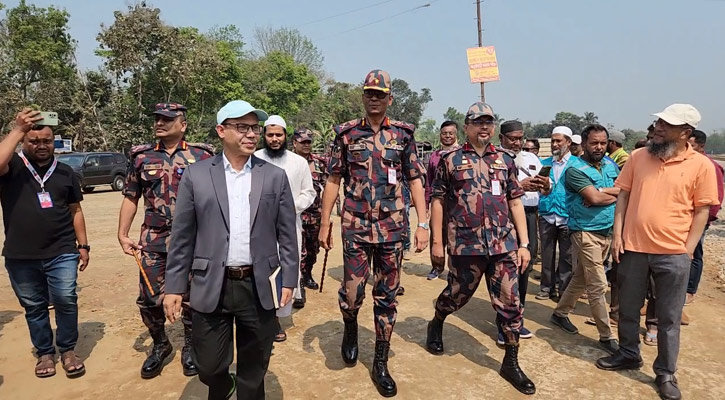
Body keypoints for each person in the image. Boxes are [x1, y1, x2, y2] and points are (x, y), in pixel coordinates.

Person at [163, 100, 298, 400]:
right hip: (212, 283)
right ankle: (223, 385)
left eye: (255, 128)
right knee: (208, 365)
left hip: (259, 284)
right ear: (221, 131)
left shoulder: (273, 177)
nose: (251, 134)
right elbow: (182, 237)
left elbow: (287, 234)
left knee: (255, 365)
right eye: (242, 127)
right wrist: (173, 286)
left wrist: (289, 279)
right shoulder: (196, 175)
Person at [318, 69, 428, 397]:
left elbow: (415, 180)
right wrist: (325, 222)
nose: (375, 99)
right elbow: (334, 179)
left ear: (390, 98)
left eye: (380, 94)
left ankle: (380, 360)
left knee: (387, 295)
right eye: (370, 93)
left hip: (392, 229)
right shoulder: (347, 134)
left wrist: (422, 224)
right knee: (352, 294)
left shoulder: (404, 136)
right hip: (355, 227)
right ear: (363, 97)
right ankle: (350, 326)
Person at [597, 104, 719, 400]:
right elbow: (623, 196)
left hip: (673, 253)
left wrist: (688, 249)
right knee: (627, 308)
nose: (659, 127)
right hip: (633, 248)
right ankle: (628, 353)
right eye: (659, 122)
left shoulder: (701, 165)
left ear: (685, 133)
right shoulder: (639, 157)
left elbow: (702, 210)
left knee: (668, 317)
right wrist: (618, 234)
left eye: (668, 124)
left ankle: (665, 371)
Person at [426, 103, 535, 395]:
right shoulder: (449, 160)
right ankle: (437, 321)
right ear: (467, 127)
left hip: (503, 246)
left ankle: (511, 362)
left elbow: (515, 201)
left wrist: (524, 244)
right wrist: (436, 242)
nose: (484, 127)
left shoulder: (505, 161)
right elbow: (437, 201)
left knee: (510, 304)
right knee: (456, 296)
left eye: (489, 122)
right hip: (466, 245)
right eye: (478, 122)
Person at [118, 103, 214, 379]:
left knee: (192, 297)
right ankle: (160, 344)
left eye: (167, 120)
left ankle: (190, 346)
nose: (160, 123)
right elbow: (130, 196)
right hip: (154, 239)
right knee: (149, 297)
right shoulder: (141, 157)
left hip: (194, 239)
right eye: (157, 119)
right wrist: (123, 234)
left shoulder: (203, 155)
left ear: (182, 125)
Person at [0, 109, 89, 379]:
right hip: (20, 254)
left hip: (62, 250)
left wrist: (83, 246)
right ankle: (44, 353)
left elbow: (76, 210)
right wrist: (17, 129)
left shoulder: (64, 172)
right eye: (34, 141)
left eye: (47, 141)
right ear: (24, 142)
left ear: (54, 142)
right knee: (35, 306)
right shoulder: (12, 168)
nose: (41, 146)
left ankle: (68, 349)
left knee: (65, 300)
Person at [550, 124, 620, 354]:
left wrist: (604, 192)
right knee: (598, 284)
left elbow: (624, 190)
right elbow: (595, 198)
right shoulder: (575, 170)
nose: (599, 147)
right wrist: (604, 195)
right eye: (594, 143)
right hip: (584, 231)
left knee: (580, 277)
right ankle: (606, 335)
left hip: (606, 231)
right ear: (584, 144)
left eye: (602, 142)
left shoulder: (610, 166)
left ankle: (560, 313)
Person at [254, 115, 314, 341]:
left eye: (279, 134)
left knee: (286, 270)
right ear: (264, 136)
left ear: (286, 136)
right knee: (260, 270)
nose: (274, 139)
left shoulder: (298, 162)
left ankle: (277, 320)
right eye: (270, 135)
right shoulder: (254, 158)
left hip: (289, 226)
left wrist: (289, 208)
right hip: (258, 227)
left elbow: (309, 192)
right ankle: (262, 318)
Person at [497, 120, 545, 343]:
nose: (517, 143)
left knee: (525, 265)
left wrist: (545, 185)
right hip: (505, 216)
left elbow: (548, 186)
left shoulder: (531, 158)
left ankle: (518, 315)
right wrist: (518, 187)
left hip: (529, 215)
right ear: (502, 138)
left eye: (520, 138)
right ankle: (503, 322)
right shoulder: (495, 158)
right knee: (506, 268)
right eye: (512, 139)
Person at [536, 126, 577, 302]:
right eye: (553, 140)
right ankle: (546, 287)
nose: (554, 144)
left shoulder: (578, 164)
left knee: (567, 256)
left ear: (568, 142)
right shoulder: (544, 164)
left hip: (568, 215)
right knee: (547, 253)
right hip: (547, 213)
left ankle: (564, 290)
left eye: (558, 140)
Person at [686, 129, 724, 304]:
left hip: (700, 219)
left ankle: (689, 291)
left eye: (691, 145)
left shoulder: (709, 166)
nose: (688, 148)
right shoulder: (687, 163)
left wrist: (706, 220)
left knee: (694, 253)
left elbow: (715, 198)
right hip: (684, 219)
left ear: (701, 146)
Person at [292, 127, 327, 291]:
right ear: (294, 143)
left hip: (315, 215)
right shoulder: (288, 162)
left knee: (313, 249)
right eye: (303, 142)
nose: (306, 145)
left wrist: (328, 215)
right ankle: (298, 282)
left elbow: (328, 188)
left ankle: (307, 274)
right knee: (298, 251)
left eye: (309, 142)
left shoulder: (320, 163)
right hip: (295, 215)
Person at [424, 120, 460, 280]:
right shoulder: (434, 156)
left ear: (456, 135)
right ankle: (437, 267)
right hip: (438, 203)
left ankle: (455, 270)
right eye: (444, 133)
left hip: (457, 204)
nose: (447, 136)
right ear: (440, 135)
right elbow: (428, 183)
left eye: (450, 133)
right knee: (436, 235)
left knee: (455, 237)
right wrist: (426, 204)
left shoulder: (462, 155)